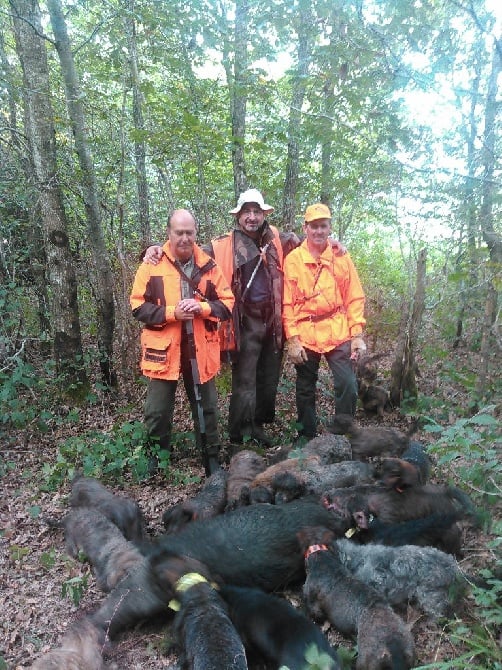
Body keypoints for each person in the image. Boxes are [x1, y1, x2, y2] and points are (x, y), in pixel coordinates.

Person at [130, 209, 234, 476]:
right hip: (164, 351)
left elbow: (228, 304)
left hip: (200, 349)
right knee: (157, 411)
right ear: (169, 233)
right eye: (179, 232)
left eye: (189, 232)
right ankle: (156, 459)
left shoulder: (209, 266)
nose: (185, 238)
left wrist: (203, 308)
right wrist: (170, 314)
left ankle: (211, 458)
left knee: (208, 408)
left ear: (196, 234)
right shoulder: (151, 264)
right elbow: (137, 307)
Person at [283, 203, 366, 443]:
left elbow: (354, 296)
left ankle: (341, 436)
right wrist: (293, 339)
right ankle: (306, 438)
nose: (319, 231)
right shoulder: (293, 260)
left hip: (337, 329)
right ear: (305, 228)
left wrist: (357, 334)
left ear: (330, 228)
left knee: (348, 384)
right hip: (305, 331)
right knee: (305, 388)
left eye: (323, 226)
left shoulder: (341, 257)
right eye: (314, 226)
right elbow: (287, 303)